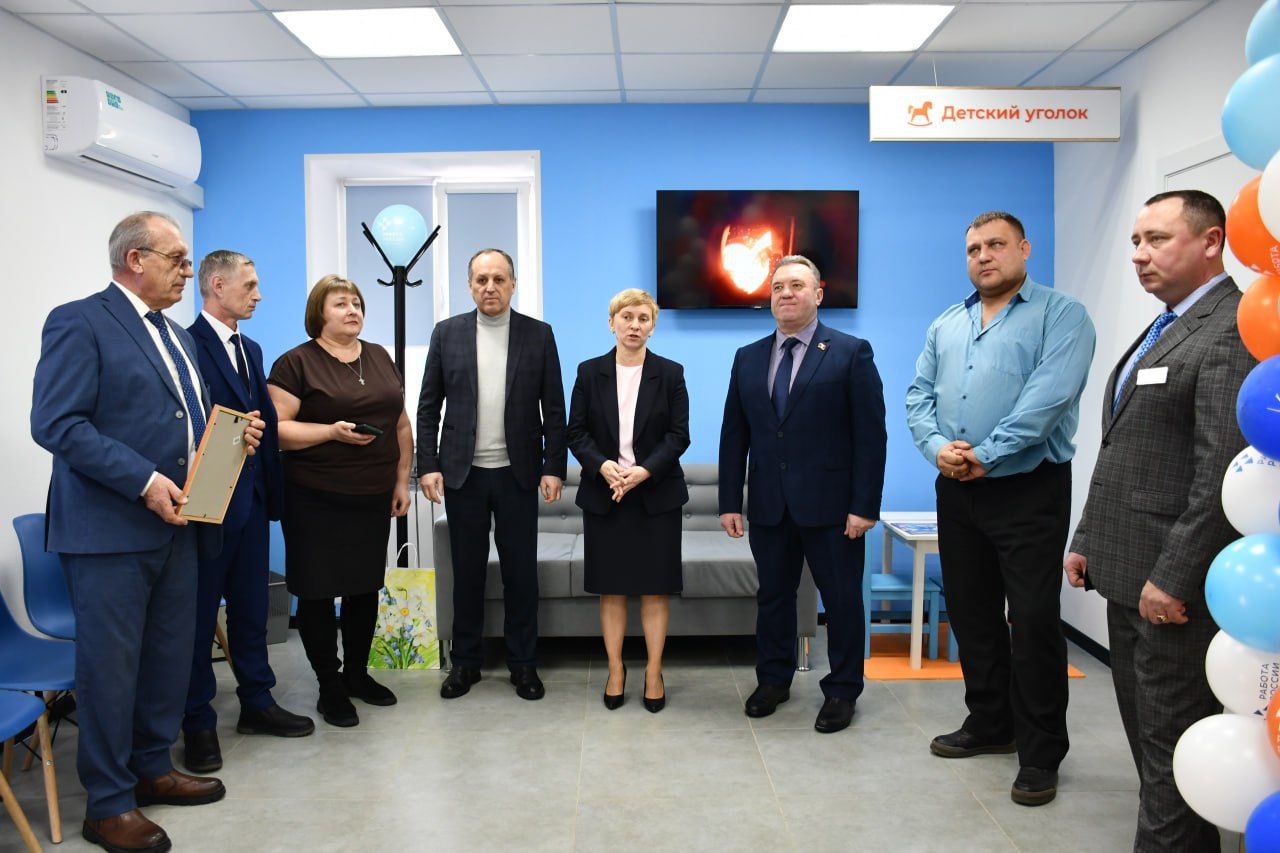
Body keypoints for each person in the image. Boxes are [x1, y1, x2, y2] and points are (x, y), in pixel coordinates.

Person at [31, 211, 265, 852]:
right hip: (109, 532)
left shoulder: (177, 336)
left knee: (168, 657)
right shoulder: (80, 321)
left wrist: (231, 439)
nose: (189, 271)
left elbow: (184, 421)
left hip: (178, 526)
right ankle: (108, 804)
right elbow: (57, 423)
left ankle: (152, 767)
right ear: (136, 260)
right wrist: (143, 480)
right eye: (177, 259)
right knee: (111, 670)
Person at [1065, 190, 1251, 848]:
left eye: (1158, 239)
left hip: (1171, 591)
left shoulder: (1230, 330)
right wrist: (1087, 538)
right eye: (1136, 241)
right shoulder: (1169, 325)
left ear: (1211, 242)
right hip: (1126, 572)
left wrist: (1174, 575)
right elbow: (1125, 448)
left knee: (1173, 752)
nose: (1140, 255)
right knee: (1152, 746)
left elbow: (1220, 474)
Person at [906, 211, 1095, 807]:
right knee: (971, 614)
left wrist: (985, 454)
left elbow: (1048, 399)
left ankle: (1041, 752)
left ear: (1023, 248)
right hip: (957, 488)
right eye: (973, 249)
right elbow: (918, 397)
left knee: (1033, 620)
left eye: (995, 245)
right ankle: (990, 723)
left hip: (1027, 488)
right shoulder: (947, 322)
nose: (983, 256)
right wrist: (938, 450)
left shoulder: (1062, 315)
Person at [718, 254, 887, 734]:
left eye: (796, 285)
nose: (786, 293)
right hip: (769, 505)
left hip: (833, 509)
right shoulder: (748, 357)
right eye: (777, 287)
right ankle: (772, 681)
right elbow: (735, 434)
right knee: (773, 597)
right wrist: (730, 501)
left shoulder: (851, 352)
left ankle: (842, 690)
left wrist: (864, 506)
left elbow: (871, 436)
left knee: (842, 601)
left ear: (818, 293)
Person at [181, 251, 314, 773]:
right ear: (217, 285)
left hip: (253, 499)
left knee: (252, 609)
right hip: (210, 501)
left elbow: (266, 424)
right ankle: (197, 720)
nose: (258, 295)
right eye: (250, 285)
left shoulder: (250, 348)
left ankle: (257, 701)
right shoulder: (187, 345)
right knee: (199, 618)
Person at [417, 248, 568, 702]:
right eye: (481, 279)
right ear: (469, 285)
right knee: (467, 573)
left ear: (513, 284)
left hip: (518, 474)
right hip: (463, 475)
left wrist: (553, 467)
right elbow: (428, 408)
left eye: (499, 279)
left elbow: (554, 409)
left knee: (520, 574)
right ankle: (465, 663)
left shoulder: (538, 334)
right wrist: (428, 465)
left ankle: (523, 664)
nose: (490, 287)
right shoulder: (447, 333)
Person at [267, 274, 412, 728]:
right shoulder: (296, 363)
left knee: (363, 587)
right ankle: (329, 686)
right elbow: (278, 431)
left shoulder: (379, 356)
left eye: (356, 303)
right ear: (319, 314)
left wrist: (401, 480)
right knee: (317, 590)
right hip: (314, 497)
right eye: (341, 304)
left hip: (371, 495)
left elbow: (401, 423)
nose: (352, 310)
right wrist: (330, 431)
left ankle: (357, 674)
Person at [567, 289, 690, 712]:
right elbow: (576, 433)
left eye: (643, 318)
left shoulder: (670, 373)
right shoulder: (589, 372)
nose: (634, 325)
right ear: (612, 323)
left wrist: (643, 471)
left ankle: (654, 672)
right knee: (612, 590)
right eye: (627, 317)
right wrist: (604, 467)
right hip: (607, 494)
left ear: (652, 326)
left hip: (655, 495)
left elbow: (679, 435)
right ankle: (616, 669)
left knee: (655, 591)